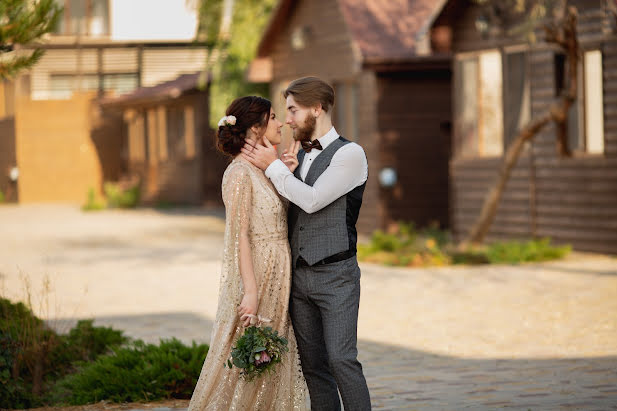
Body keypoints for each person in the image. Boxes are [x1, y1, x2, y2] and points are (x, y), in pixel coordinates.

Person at [241, 77, 371, 411]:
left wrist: (272, 168)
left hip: (336, 277)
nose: (287, 119)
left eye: (294, 110)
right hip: (299, 279)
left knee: (342, 361)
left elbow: (313, 201)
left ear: (318, 108)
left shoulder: (350, 154)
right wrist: (286, 173)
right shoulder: (298, 158)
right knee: (314, 368)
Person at [188, 96, 307, 411]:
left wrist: (284, 171)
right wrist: (250, 291)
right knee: (253, 354)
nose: (280, 123)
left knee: (274, 353)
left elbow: (280, 215)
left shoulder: (263, 168)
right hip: (260, 271)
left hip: (280, 271)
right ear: (256, 127)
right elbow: (239, 234)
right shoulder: (239, 173)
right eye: (273, 117)